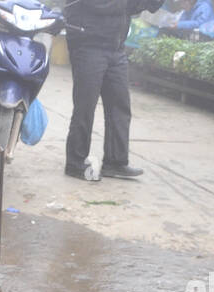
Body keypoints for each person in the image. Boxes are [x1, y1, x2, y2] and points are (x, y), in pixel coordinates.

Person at [63, 0, 162, 181]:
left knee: (120, 107)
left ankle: (115, 162)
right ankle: (75, 163)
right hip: (88, 45)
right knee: (85, 107)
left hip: (116, 48)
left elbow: (134, 7)